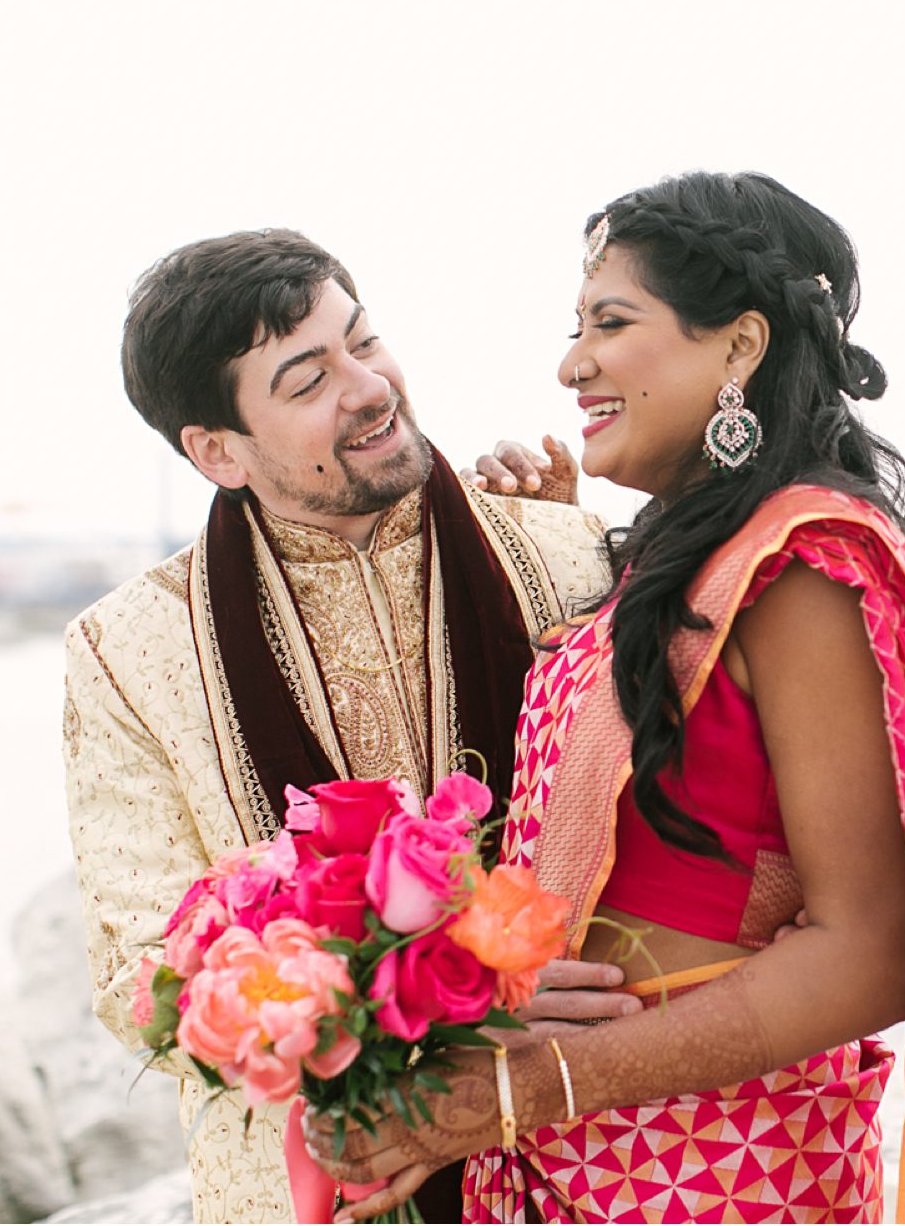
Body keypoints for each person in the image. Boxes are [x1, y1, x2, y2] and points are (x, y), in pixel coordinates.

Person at [306, 174, 905, 1223]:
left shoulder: (800, 568)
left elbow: (877, 950)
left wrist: (532, 1087)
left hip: (717, 1170)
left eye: (610, 323)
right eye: (574, 328)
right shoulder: (686, 563)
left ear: (739, 346)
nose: (571, 363)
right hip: (568, 1155)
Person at [63, 229, 634, 1223]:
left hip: (582, 1149)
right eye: (305, 380)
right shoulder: (126, 652)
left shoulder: (570, 554)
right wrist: (439, 1022)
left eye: (363, 342)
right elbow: (140, 968)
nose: (368, 386)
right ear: (216, 450)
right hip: (314, 1185)